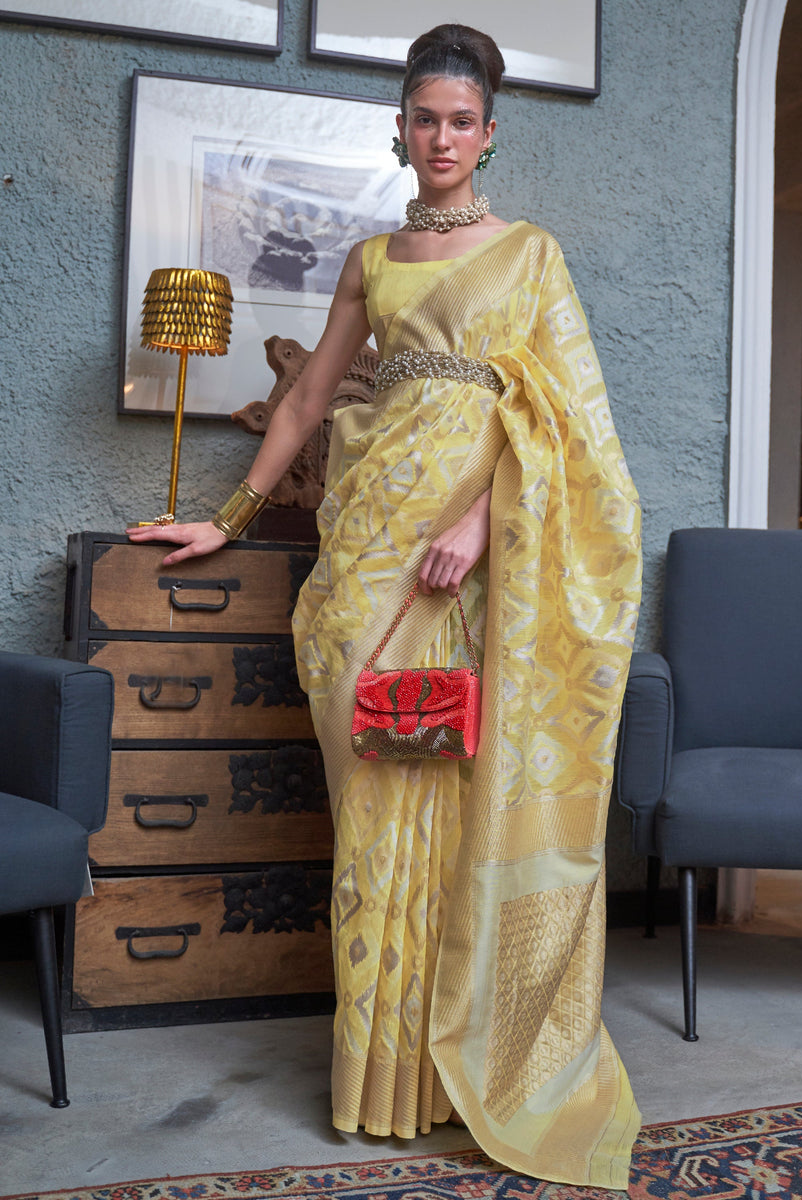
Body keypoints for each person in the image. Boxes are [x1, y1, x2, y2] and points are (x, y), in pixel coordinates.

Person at [128, 24, 642, 1189]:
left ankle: (448, 1071)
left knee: (451, 801)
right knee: (372, 815)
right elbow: (310, 398)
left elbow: (571, 432)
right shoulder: (370, 259)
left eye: (464, 120)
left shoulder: (532, 257)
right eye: (426, 118)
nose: (444, 137)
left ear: (489, 133)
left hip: (467, 563)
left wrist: (483, 523)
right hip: (364, 551)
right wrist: (231, 519)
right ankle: (377, 1080)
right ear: (400, 130)